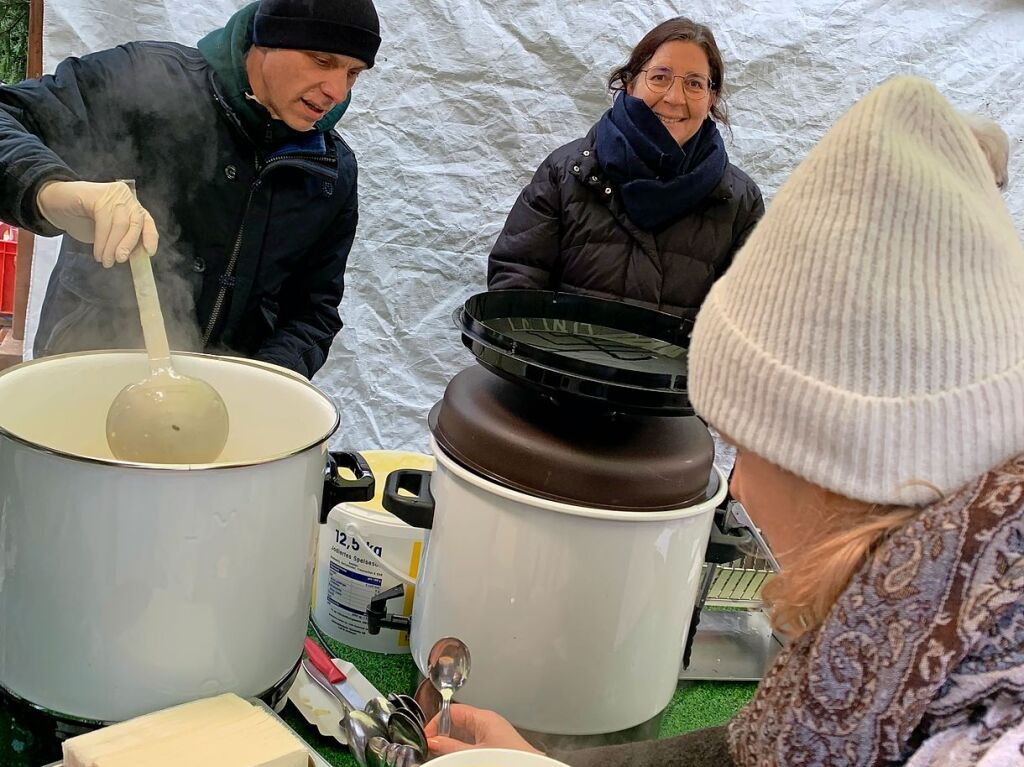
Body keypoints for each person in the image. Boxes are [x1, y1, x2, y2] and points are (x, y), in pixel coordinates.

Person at [426, 76, 1024, 766]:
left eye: (743, 443)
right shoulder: (907, 628)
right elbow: (747, 753)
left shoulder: (984, 738)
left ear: (838, 460)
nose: (735, 487)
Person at [0, 0, 381, 378]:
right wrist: (50, 189)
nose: (336, 90)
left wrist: (264, 381)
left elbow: (314, 310)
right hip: (85, 370)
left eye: (353, 73)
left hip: (222, 400)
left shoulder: (331, 171)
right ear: (266, 40)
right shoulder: (145, 78)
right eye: (321, 60)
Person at [486, 17, 764, 319]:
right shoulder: (567, 171)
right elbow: (516, 284)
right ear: (630, 83)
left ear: (711, 97)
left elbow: (748, 321)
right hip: (561, 365)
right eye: (660, 77)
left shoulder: (739, 201)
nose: (673, 97)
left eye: (694, 83)